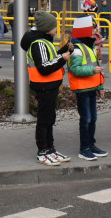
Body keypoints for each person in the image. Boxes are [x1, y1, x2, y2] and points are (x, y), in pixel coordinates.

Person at [20, 10, 72, 165]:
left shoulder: (45, 42)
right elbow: (44, 67)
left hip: (50, 85)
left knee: (50, 118)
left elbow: (51, 59)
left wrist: (64, 51)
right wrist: (62, 59)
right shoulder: (39, 44)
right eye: (54, 26)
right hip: (44, 86)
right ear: (47, 28)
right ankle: (43, 150)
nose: (56, 29)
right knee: (44, 119)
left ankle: (50, 148)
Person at [67, 19, 106, 161]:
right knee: (87, 119)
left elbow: (95, 69)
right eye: (93, 28)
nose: (96, 31)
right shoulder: (78, 49)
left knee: (92, 118)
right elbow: (75, 69)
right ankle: (84, 148)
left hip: (91, 87)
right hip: (82, 89)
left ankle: (90, 145)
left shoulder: (88, 46)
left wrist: (100, 87)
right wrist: (92, 70)